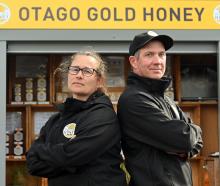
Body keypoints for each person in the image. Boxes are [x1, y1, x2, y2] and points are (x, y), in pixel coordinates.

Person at [26, 50, 127, 186]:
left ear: (99, 80)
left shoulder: (104, 117)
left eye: (87, 71)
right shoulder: (57, 118)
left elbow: (71, 156)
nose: (79, 75)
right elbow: (33, 164)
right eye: (75, 69)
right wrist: (68, 159)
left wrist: (41, 151)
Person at [117, 31, 203, 186]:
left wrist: (185, 146)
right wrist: (186, 140)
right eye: (149, 54)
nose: (157, 61)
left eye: (161, 54)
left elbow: (197, 140)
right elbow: (184, 138)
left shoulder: (166, 99)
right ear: (134, 61)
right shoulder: (133, 100)